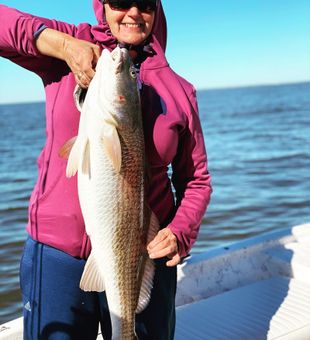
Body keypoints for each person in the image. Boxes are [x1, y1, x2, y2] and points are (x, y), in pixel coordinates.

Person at [0, 0, 212, 339]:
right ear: (102, 5)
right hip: (57, 255)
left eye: (144, 3)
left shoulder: (180, 90)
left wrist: (181, 231)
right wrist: (64, 46)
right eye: (119, 2)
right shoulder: (70, 43)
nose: (132, 13)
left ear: (156, 11)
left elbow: (197, 179)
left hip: (140, 256)